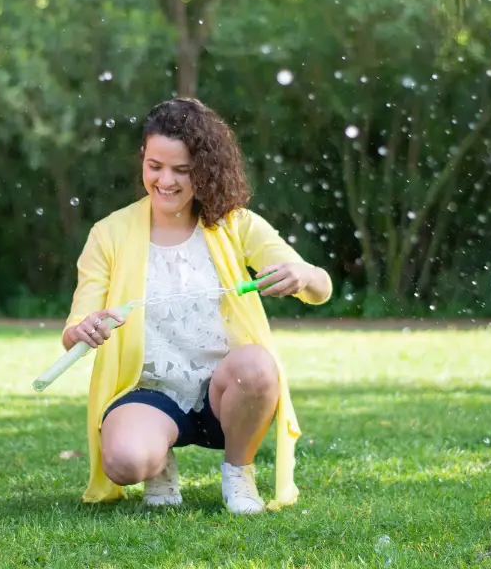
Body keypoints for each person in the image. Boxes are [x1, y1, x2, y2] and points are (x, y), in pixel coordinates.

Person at [62, 98, 332, 514]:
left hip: (224, 392)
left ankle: (238, 474)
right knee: (125, 460)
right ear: (143, 159)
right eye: (155, 166)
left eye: (182, 170)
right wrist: (84, 330)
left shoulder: (235, 223)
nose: (165, 180)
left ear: (204, 169)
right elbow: (75, 328)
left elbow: (321, 288)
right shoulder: (109, 233)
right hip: (147, 391)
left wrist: (304, 276)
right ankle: (157, 460)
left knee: (259, 366)